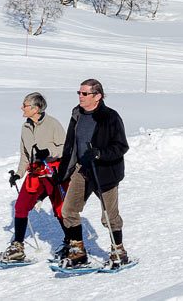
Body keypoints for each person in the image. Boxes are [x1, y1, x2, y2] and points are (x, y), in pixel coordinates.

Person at [56, 79, 131, 268]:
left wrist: (99, 153)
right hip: (82, 170)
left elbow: (121, 146)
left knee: (109, 216)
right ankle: (78, 251)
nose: (80, 96)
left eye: (84, 93)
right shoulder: (77, 115)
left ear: (97, 96)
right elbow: (70, 146)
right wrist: (63, 171)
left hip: (105, 172)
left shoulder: (110, 117)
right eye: (79, 93)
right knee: (68, 210)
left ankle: (119, 252)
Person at [0, 92, 67, 263]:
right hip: (35, 172)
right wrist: (19, 173)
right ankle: (18, 247)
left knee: (60, 209)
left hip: (52, 171)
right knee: (21, 206)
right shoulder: (25, 127)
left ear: (36, 108)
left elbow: (65, 148)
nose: (22, 108)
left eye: (25, 105)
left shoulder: (52, 124)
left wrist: (49, 152)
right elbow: (25, 155)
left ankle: (72, 243)